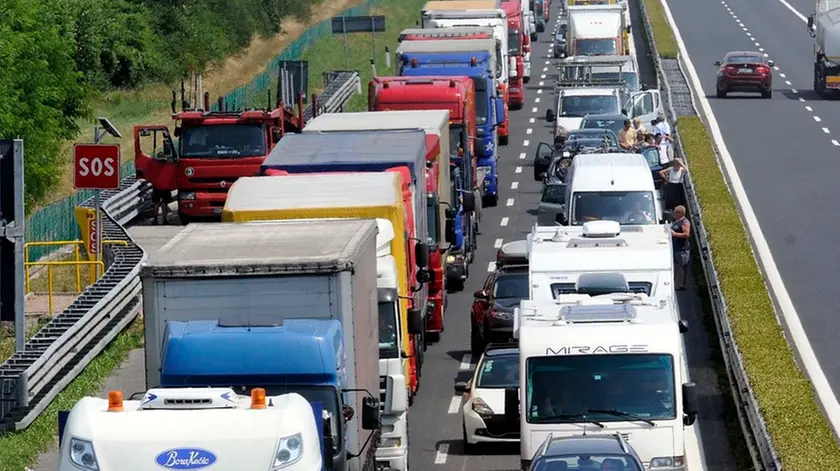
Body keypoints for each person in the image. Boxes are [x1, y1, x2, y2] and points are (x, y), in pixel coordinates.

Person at [670, 205, 691, 290]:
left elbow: (686, 234)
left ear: (681, 213)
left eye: (676, 212)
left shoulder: (684, 222)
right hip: (675, 247)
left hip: (682, 248)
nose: (674, 213)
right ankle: (675, 284)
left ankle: (682, 285)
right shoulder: (676, 221)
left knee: (682, 266)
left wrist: (675, 234)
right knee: (675, 266)